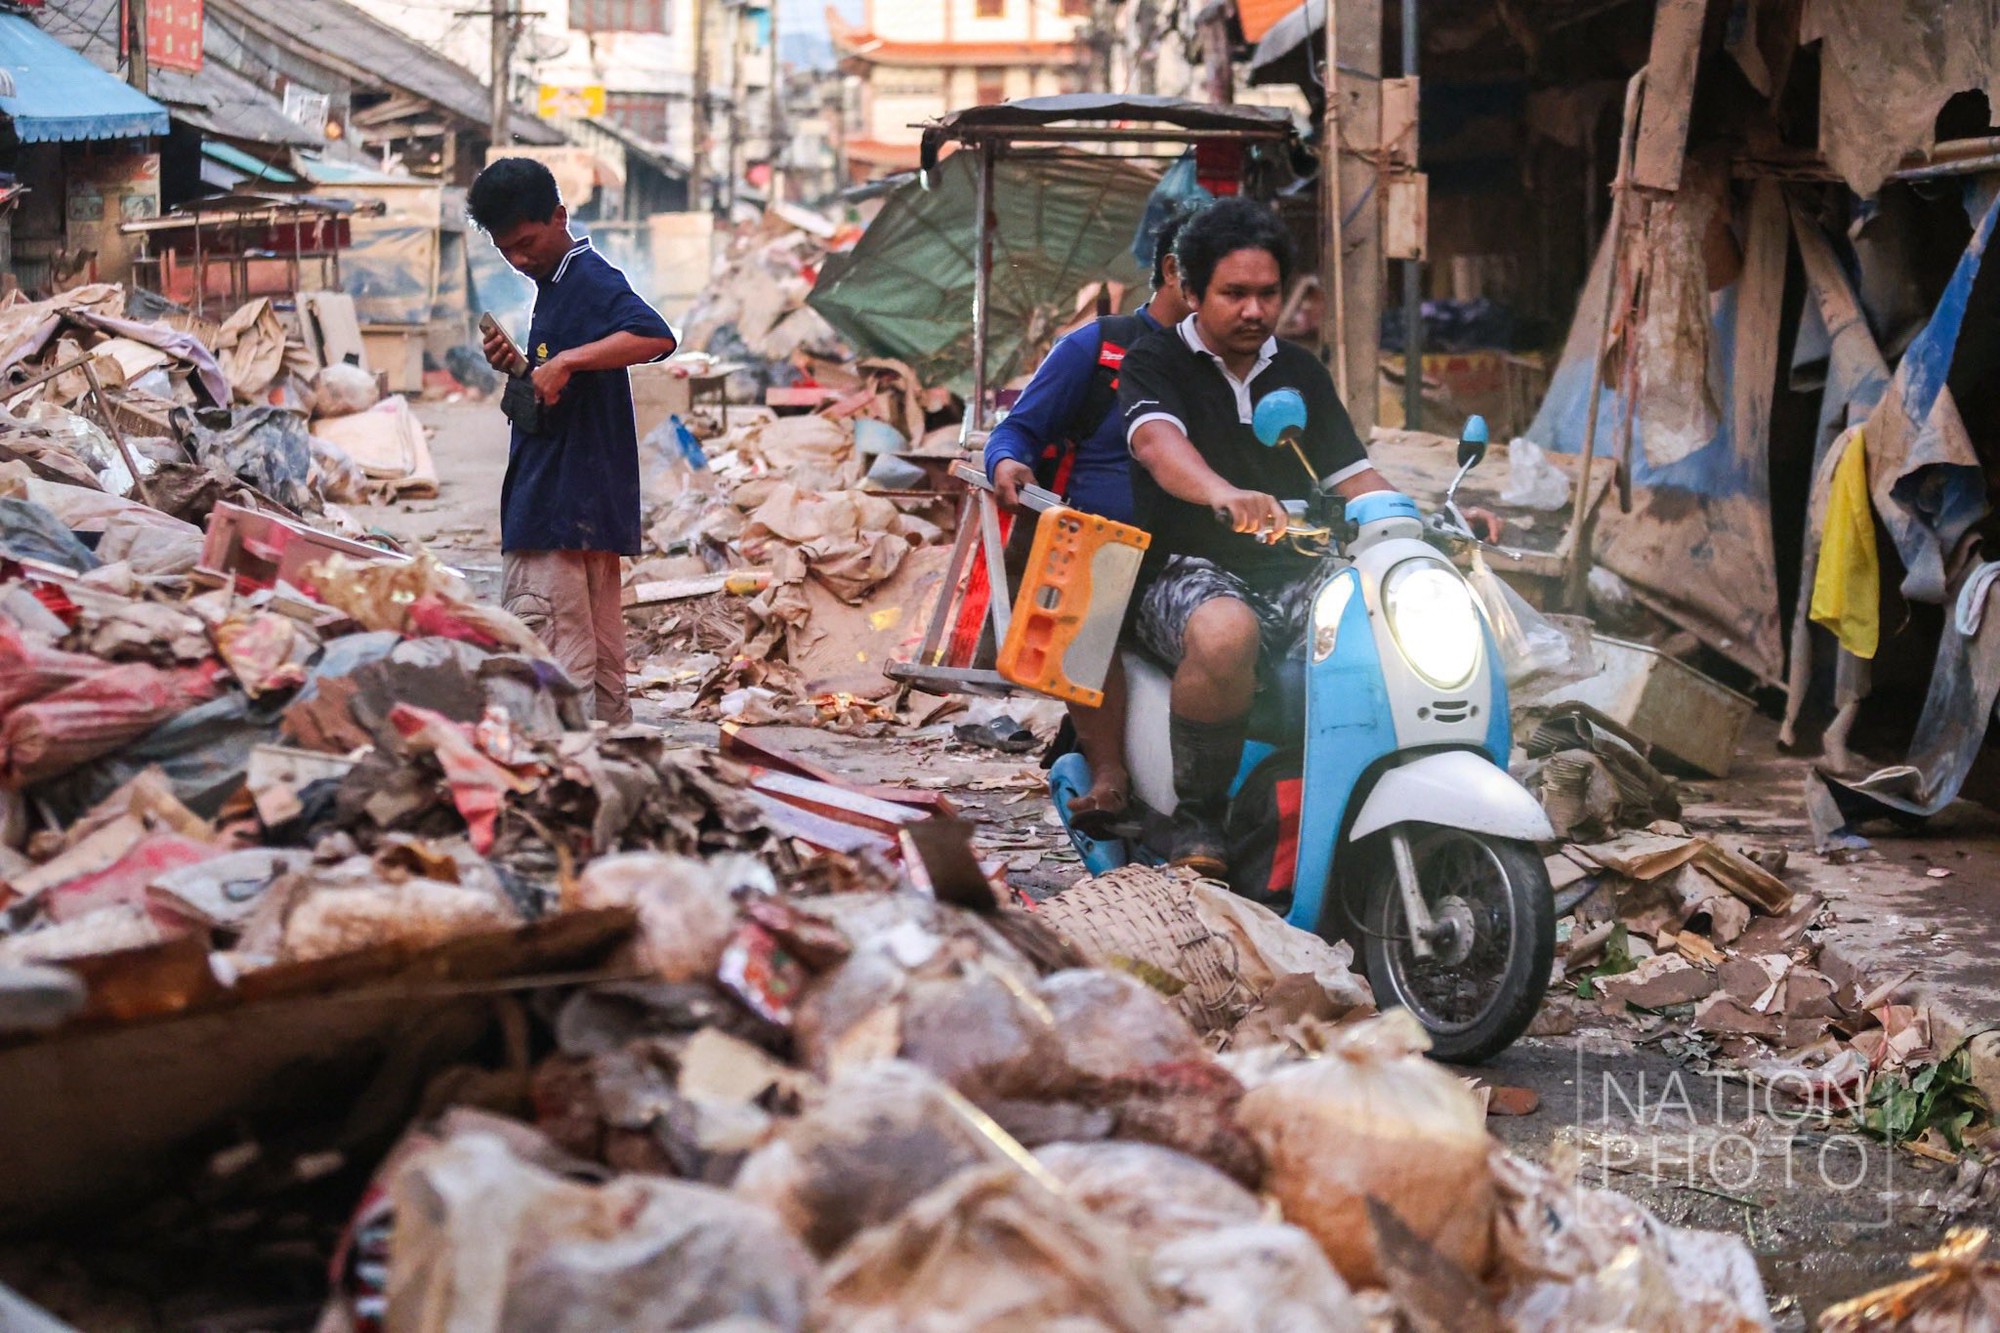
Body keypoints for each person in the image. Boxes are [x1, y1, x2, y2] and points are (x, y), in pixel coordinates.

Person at [1118, 196, 1497, 874]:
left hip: (1296, 567)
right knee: (1226, 633)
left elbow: (1355, 476)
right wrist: (1222, 493)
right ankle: (1200, 816)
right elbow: (1157, 445)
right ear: (1192, 291)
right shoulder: (1155, 360)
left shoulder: (1300, 372)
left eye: (1267, 294)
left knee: (1392, 619)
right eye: (1234, 294)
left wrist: (1431, 522)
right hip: (1184, 565)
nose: (1255, 310)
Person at [982, 209, 1196, 828]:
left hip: (1195, 548)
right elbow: (1017, 430)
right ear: (1174, 272)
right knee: (1091, 598)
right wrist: (1007, 464)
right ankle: (1109, 772)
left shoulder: (1231, 366)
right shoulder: (1097, 348)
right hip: (1099, 546)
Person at [469, 158, 679, 725]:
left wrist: (565, 361)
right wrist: (522, 369)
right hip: (581, 510)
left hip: (557, 510)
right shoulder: (555, 286)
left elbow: (655, 336)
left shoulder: (584, 277)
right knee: (596, 669)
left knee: (552, 674)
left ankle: (570, 770)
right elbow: (556, 395)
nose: (519, 260)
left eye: (527, 243)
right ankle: (610, 765)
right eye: (506, 250)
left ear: (559, 217)